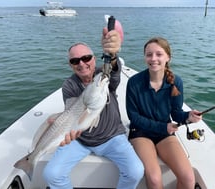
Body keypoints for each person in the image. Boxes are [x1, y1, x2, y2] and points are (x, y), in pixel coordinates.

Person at [43, 27, 144, 189]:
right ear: (70, 65)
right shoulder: (69, 85)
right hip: (80, 140)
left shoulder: (103, 76)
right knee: (51, 174)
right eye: (75, 61)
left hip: (112, 137)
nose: (82, 63)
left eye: (86, 58)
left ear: (94, 59)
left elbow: (114, 70)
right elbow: (72, 116)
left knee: (136, 172)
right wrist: (62, 126)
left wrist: (112, 54)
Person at [126, 37, 202, 189]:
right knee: (154, 178)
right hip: (141, 133)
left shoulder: (176, 82)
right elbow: (134, 117)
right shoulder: (134, 82)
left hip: (164, 134)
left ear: (168, 57)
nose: (153, 59)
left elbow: (176, 113)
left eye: (159, 54)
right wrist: (163, 127)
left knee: (188, 178)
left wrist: (189, 117)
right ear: (145, 57)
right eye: (149, 54)